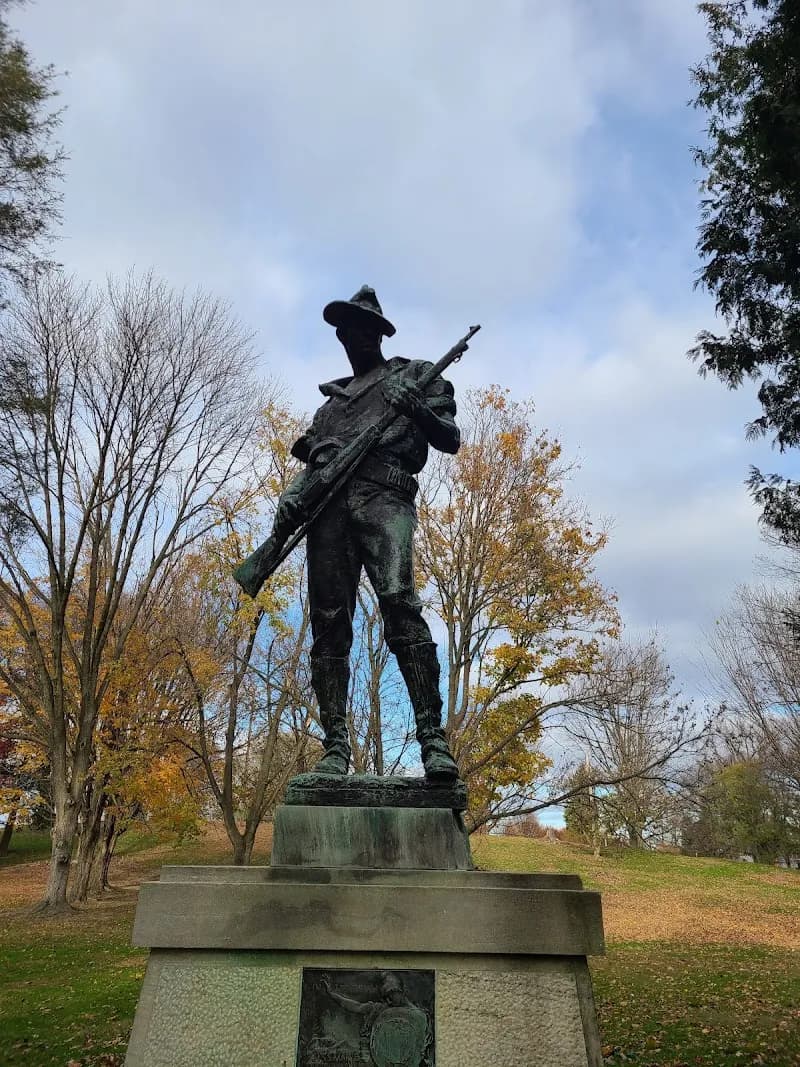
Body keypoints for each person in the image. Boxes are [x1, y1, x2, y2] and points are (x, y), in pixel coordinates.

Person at [276, 285, 460, 780]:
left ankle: (432, 740)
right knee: (328, 623)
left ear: (379, 333)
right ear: (340, 336)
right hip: (327, 514)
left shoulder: (416, 375)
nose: (354, 336)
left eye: (363, 328)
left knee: (400, 603)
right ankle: (335, 747)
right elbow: (313, 464)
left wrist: (417, 409)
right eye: (346, 329)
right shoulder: (330, 407)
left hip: (386, 498)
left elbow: (450, 439)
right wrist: (292, 495)